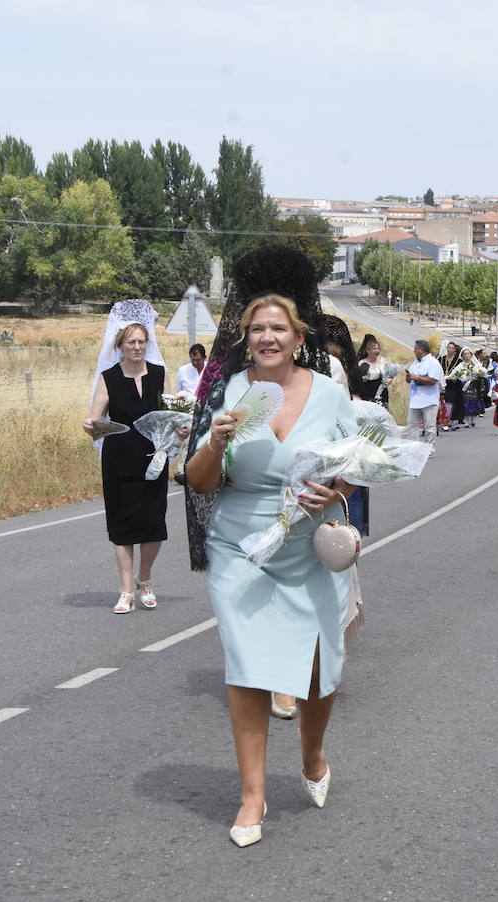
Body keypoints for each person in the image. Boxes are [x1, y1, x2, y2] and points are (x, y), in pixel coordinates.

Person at [186, 292, 356, 846]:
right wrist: (214, 443)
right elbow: (200, 481)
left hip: (309, 545)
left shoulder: (330, 395)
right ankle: (251, 797)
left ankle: (312, 754)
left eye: (278, 328)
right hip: (242, 548)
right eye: (257, 329)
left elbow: (359, 463)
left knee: (315, 668)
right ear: (247, 339)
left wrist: (334, 490)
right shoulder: (228, 394)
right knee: (248, 666)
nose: (267, 337)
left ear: (298, 338)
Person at [82, 301, 171, 615]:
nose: (137, 347)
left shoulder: (160, 374)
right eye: (131, 342)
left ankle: (144, 579)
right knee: (121, 526)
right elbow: (95, 420)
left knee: (153, 524)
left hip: (153, 458)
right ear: (119, 345)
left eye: (142, 342)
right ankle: (124, 591)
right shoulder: (109, 377)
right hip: (119, 460)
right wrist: (91, 427)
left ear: (148, 344)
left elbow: (171, 415)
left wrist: (181, 430)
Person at [406, 339, 444, 444]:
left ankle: (429, 448)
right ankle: (414, 447)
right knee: (412, 425)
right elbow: (410, 377)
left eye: (415, 349)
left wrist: (417, 377)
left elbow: (432, 380)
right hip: (414, 399)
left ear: (421, 349)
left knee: (429, 426)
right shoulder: (414, 363)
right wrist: (409, 378)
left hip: (429, 400)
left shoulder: (433, 363)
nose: (414, 351)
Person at [353, 334, 389, 406]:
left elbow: (389, 375)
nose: (377, 351)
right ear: (367, 350)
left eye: (378, 348)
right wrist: (362, 380)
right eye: (375, 349)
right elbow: (357, 381)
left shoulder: (383, 361)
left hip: (382, 393)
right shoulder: (362, 363)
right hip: (368, 393)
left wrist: (389, 380)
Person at [440, 341, 467, 432]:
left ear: (455, 350)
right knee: (445, 403)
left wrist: (457, 377)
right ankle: (445, 421)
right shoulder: (441, 359)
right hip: (445, 384)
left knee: (454, 403)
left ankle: (453, 421)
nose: (450, 349)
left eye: (452, 348)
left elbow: (463, 373)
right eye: (449, 347)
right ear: (446, 349)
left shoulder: (459, 361)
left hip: (455, 385)